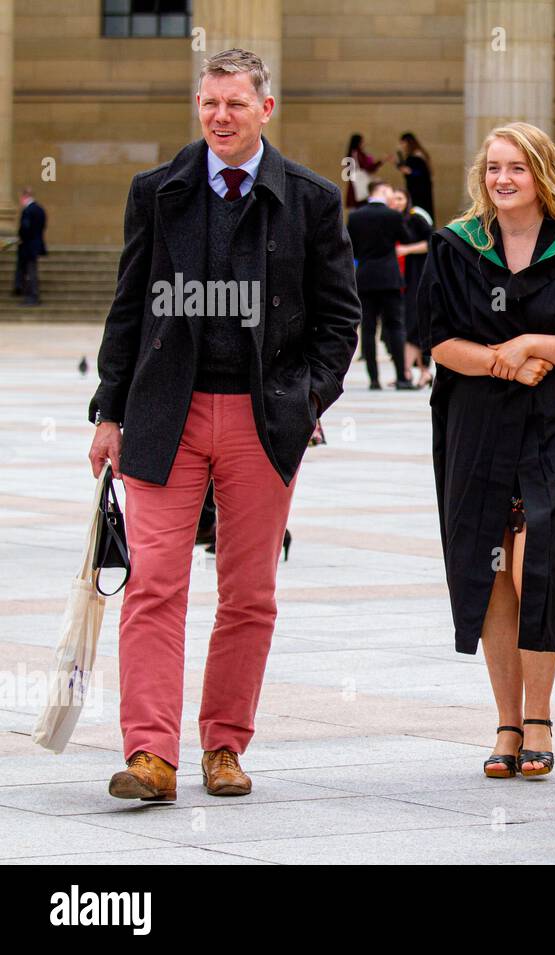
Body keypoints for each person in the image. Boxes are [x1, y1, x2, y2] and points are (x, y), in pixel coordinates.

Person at [87, 48, 360, 802]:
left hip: (260, 420)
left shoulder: (308, 199)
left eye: (235, 104)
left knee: (247, 593)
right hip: (162, 415)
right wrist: (109, 411)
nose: (219, 117)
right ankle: (150, 754)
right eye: (209, 103)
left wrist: (304, 403)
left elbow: (341, 322)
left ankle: (224, 746)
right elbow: (128, 306)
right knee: (152, 585)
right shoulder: (158, 192)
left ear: (265, 109)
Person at [419, 121, 555, 779]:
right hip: (477, 422)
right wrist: (500, 362)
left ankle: (539, 714)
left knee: (537, 562)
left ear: (543, 176)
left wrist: (531, 342)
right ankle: (506, 721)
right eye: (493, 168)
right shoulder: (455, 247)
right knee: (490, 568)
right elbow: (437, 340)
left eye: (517, 168)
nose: (503, 180)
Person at [348, 179, 415, 389]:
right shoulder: (392, 215)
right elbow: (406, 238)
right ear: (381, 191)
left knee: (367, 329)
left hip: (365, 277)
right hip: (389, 276)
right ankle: (402, 377)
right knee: (395, 325)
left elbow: (351, 247)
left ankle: (373, 378)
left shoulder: (356, 216)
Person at [391, 185, 435, 388]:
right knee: (413, 324)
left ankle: (408, 371)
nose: (396, 202)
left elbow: (431, 241)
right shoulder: (395, 220)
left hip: (419, 275)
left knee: (413, 323)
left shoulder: (416, 217)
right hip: (405, 279)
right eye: (393, 199)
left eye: (400, 198)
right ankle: (421, 372)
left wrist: (407, 249)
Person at [13, 187, 46, 305]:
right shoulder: (40, 209)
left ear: (24, 196)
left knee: (30, 272)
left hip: (28, 246)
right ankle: (31, 295)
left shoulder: (28, 211)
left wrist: (21, 237)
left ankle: (32, 296)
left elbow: (25, 229)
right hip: (36, 245)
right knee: (32, 271)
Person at [396, 131, 434, 219]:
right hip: (421, 188)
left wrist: (409, 172)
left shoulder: (416, 156)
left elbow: (419, 172)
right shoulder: (419, 154)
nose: (402, 146)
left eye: (403, 143)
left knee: (419, 210)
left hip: (418, 189)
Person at [344, 133, 383, 208]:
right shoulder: (358, 154)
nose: (364, 144)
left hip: (354, 184)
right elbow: (368, 167)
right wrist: (380, 162)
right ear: (358, 143)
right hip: (360, 185)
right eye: (362, 142)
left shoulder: (351, 154)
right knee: (363, 206)